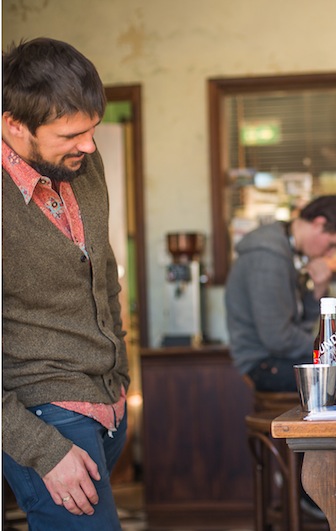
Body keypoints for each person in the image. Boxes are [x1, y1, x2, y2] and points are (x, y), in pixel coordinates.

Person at [2, 38, 129, 529]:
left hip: (106, 400)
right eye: (72, 134)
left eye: (93, 128)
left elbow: (104, 272)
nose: (90, 146)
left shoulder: (83, 164)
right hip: (41, 415)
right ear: (14, 124)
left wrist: (120, 377)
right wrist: (42, 449)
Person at [225, 194, 336, 392]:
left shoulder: (289, 249)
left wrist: (319, 290)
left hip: (278, 358)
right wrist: (332, 347)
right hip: (263, 364)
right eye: (332, 245)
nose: (331, 254)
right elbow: (278, 339)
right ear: (319, 223)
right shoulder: (268, 257)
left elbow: (300, 324)